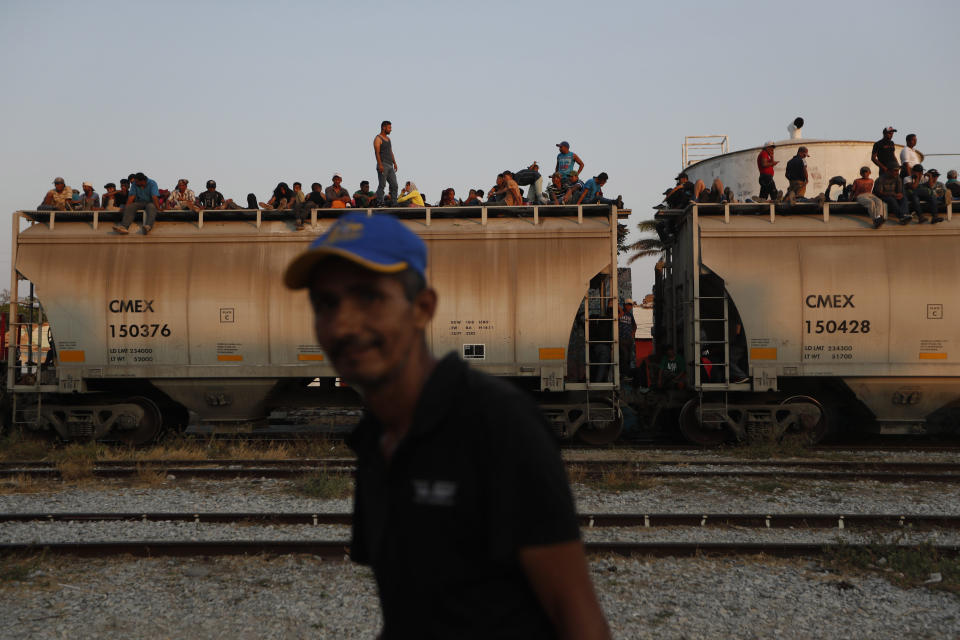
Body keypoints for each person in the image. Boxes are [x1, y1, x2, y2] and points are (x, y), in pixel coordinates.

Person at [282, 213, 609, 639]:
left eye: (368, 298)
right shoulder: (374, 440)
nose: (342, 324)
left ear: (422, 309)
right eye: (326, 304)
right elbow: (412, 611)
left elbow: (577, 617)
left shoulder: (499, 424)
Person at [374, 120, 399, 205]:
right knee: (382, 185)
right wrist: (380, 164)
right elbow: (376, 153)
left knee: (394, 185)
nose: (390, 129)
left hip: (390, 165)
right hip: (383, 164)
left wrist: (395, 163)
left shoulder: (388, 139)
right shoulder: (378, 138)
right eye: (389, 128)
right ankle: (380, 202)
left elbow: (390, 152)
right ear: (383, 127)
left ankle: (394, 202)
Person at [618, 299, 637, 380]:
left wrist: (632, 335)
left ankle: (628, 374)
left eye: (630, 305)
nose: (629, 306)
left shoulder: (630, 315)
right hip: (621, 339)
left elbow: (635, 325)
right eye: (628, 305)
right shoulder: (619, 313)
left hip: (629, 339)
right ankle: (623, 374)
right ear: (624, 305)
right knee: (624, 356)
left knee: (629, 357)